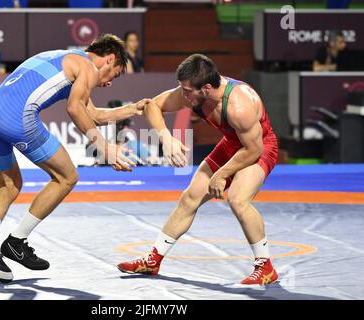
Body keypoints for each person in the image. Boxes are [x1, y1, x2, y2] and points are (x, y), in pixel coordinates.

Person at [0, 34, 144, 283]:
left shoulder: (63, 56)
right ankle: (16, 242)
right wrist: (104, 147)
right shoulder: (87, 66)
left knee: (9, 185)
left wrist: (131, 109)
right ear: (109, 59)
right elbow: (75, 109)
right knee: (67, 177)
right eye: (115, 74)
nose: (109, 83)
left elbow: (93, 114)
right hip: (16, 119)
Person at [117, 54, 279, 285]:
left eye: (186, 91)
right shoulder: (194, 93)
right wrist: (167, 139)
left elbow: (253, 149)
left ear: (206, 88)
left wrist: (221, 174)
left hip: (259, 146)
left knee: (237, 199)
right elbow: (152, 105)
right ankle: (153, 260)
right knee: (190, 197)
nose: (182, 95)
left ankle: (265, 266)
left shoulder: (239, 106)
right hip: (232, 143)